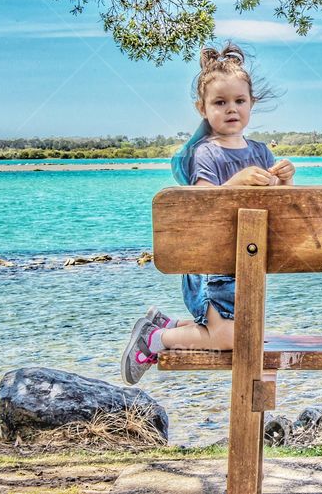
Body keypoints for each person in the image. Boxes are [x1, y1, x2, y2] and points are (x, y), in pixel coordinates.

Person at [121, 43, 295, 385]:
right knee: (231, 339)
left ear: (251, 104)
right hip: (210, 271)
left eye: (239, 101)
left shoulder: (261, 152)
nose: (231, 109)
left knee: (243, 336)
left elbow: (280, 213)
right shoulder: (206, 154)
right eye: (220, 102)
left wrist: (286, 182)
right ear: (202, 108)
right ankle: (156, 340)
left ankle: (167, 326)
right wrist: (235, 183)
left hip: (246, 269)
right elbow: (201, 209)